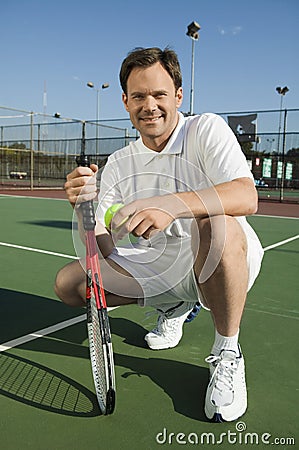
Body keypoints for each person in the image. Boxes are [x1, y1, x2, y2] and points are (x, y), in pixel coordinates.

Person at [55, 47, 264, 423]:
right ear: (125, 101)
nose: (149, 105)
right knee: (70, 284)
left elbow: (247, 196)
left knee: (215, 223)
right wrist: (83, 208)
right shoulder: (120, 163)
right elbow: (105, 249)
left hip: (223, 258)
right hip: (161, 268)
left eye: (159, 94)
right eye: (138, 96)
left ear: (178, 96)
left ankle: (228, 351)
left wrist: (171, 204)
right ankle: (172, 306)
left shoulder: (205, 129)